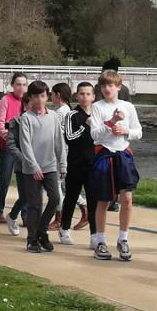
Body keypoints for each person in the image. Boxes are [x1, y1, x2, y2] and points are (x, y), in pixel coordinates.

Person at [88, 70, 143, 261]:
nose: (106, 89)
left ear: (118, 87)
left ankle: (123, 239)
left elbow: (138, 132)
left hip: (123, 154)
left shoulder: (128, 106)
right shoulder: (97, 107)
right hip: (104, 154)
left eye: (110, 85)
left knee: (126, 198)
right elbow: (94, 135)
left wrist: (125, 130)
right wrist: (112, 123)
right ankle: (100, 241)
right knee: (103, 200)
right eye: (103, 86)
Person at [12, 82, 65, 253]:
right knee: (34, 204)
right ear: (31, 98)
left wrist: (63, 164)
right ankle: (32, 239)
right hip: (31, 169)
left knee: (55, 198)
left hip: (50, 166)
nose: (39, 99)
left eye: (42, 96)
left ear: (47, 96)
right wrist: (34, 166)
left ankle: (42, 231)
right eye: (35, 96)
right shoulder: (26, 118)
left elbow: (59, 142)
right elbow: (25, 145)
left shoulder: (54, 117)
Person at [56, 81, 96, 247]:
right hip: (76, 162)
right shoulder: (72, 115)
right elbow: (69, 138)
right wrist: (84, 126)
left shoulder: (97, 113)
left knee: (94, 199)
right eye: (81, 94)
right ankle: (64, 228)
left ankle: (95, 235)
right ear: (76, 96)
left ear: (93, 96)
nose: (85, 97)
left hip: (93, 163)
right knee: (71, 197)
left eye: (88, 94)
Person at [0, 72, 31, 232]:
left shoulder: (28, 101)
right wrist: (11, 138)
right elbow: (0, 124)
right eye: (18, 84)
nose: (21, 87)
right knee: (5, 177)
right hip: (8, 144)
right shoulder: (6, 100)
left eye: (23, 84)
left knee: (25, 180)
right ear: (12, 85)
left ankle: (26, 214)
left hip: (25, 145)